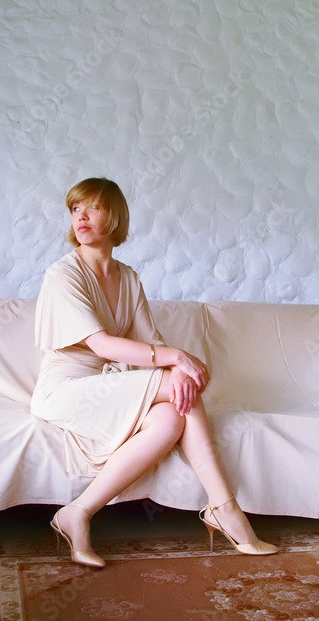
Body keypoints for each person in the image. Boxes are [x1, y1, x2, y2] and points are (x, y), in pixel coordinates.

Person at [30, 177, 277, 568]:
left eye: (93, 207)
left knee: (172, 415)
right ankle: (225, 508)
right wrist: (177, 360)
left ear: (115, 216)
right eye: (76, 208)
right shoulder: (63, 274)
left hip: (105, 385)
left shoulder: (128, 277)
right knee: (177, 384)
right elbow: (103, 346)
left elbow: (151, 342)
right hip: (66, 389)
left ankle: (77, 512)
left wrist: (176, 367)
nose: (82, 216)